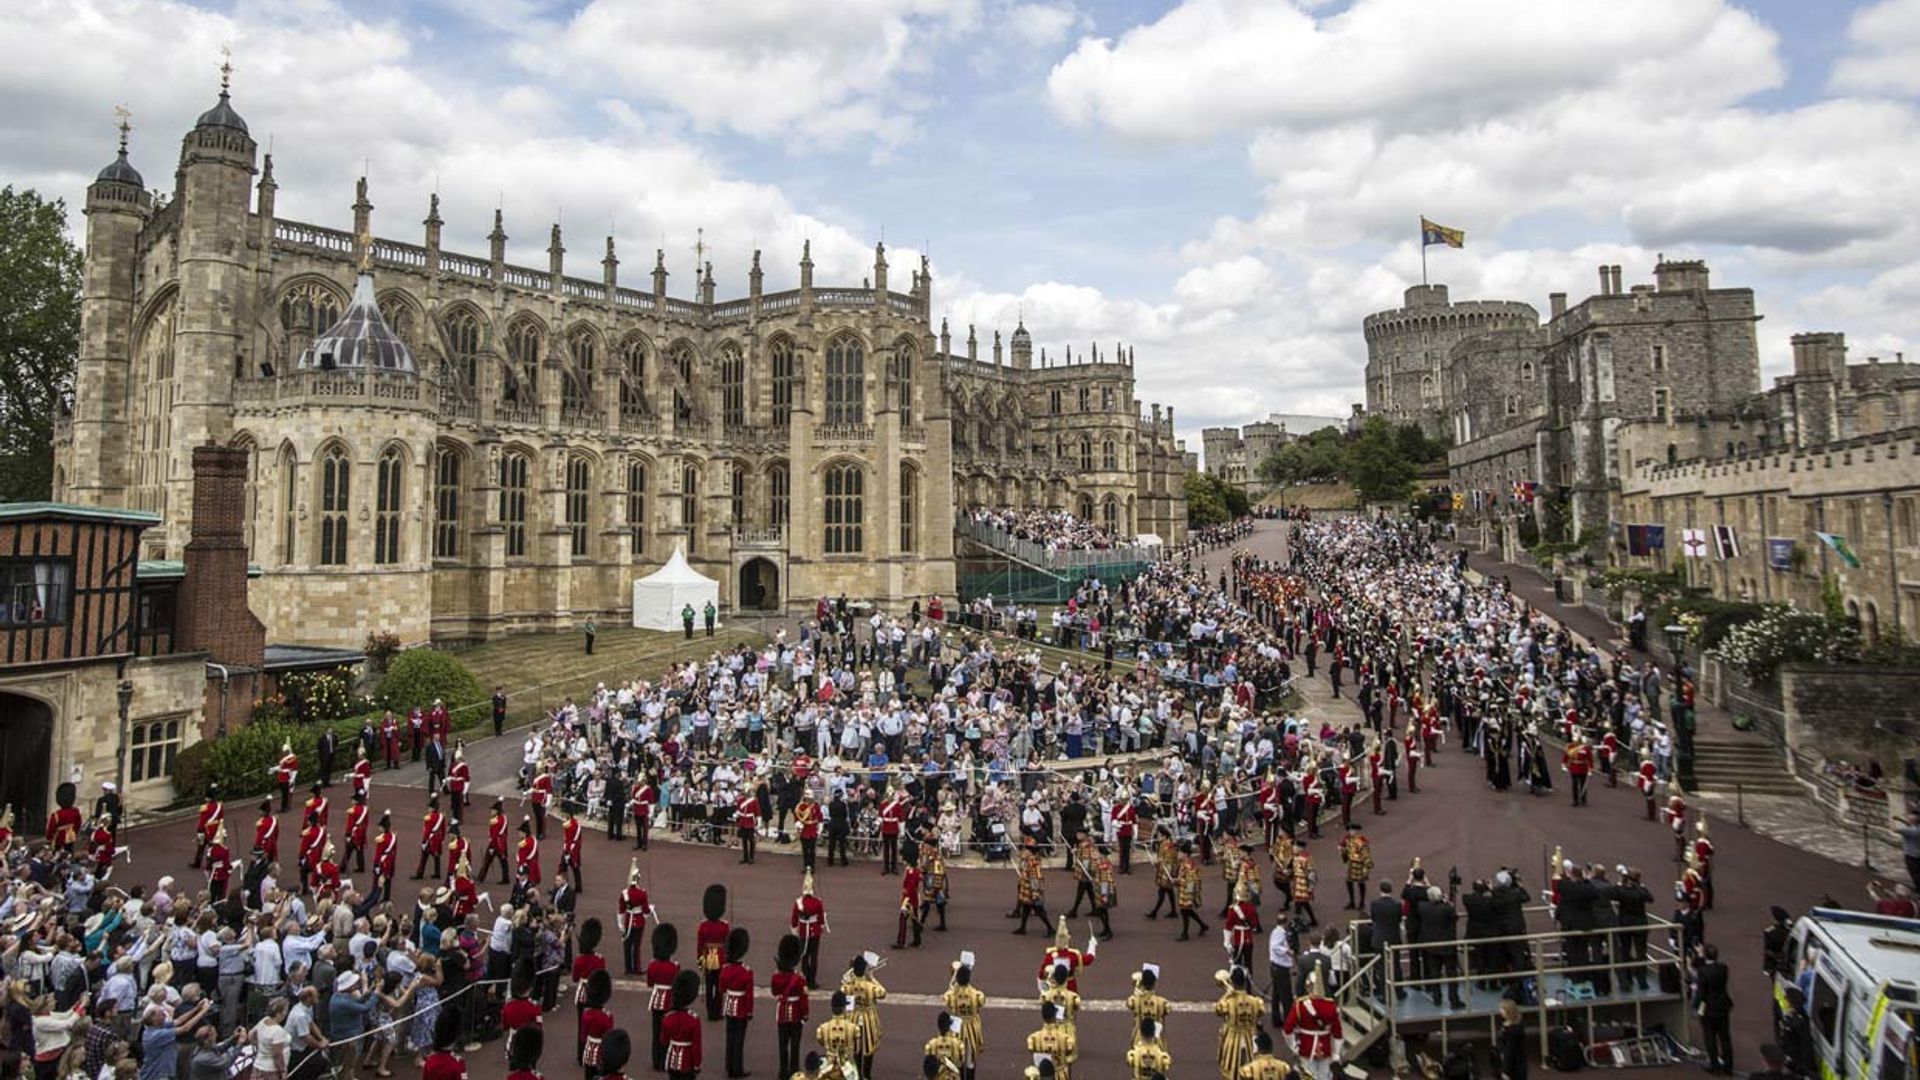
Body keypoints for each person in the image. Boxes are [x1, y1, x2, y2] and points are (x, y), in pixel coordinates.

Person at [771, 935, 809, 1080]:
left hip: (782, 1013)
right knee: (795, 1044)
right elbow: (803, 999)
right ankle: (794, 1071)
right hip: (796, 1014)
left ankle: (782, 1072)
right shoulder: (799, 978)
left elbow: (775, 992)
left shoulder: (776, 977)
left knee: (782, 1044)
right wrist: (805, 1014)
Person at [1214, 966, 1262, 1080]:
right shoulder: (1255, 1001)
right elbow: (1260, 1012)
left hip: (1231, 1038)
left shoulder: (1228, 1002)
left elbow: (1218, 1010)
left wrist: (1227, 994)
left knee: (1230, 1070)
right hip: (1250, 1037)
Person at [718, 929, 754, 1079]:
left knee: (729, 1037)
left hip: (729, 1005)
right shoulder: (746, 972)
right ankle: (737, 1069)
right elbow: (749, 995)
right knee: (739, 1039)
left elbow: (722, 988)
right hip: (741, 1008)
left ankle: (729, 1065)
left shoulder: (725, 970)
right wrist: (749, 1012)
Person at [1694, 943, 1734, 1074]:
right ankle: (1728, 1065)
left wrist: (1694, 1006)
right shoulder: (1723, 968)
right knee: (1725, 1036)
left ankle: (1714, 1064)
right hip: (1723, 1005)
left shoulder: (1702, 972)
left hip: (1709, 1007)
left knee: (1709, 1037)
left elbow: (1700, 992)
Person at [943, 957, 986, 1080]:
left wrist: (953, 979)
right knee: (970, 1059)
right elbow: (981, 1002)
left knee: (958, 1057)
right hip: (972, 1026)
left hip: (957, 1026)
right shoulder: (976, 995)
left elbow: (946, 997)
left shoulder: (952, 995)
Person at [1494, 998, 1527, 1080]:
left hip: (1514, 1065)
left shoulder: (1513, 1030)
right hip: (1513, 1061)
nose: (1500, 1011)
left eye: (1502, 1009)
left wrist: (1505, 1070)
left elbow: (1510, 1051)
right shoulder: (1508, 1025)